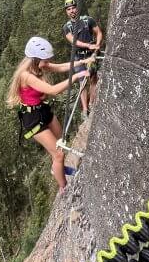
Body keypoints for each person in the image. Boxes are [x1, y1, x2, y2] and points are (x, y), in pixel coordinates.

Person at [7, 36, 94, 191]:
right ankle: (64, 187)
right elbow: (53, 90)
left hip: (43, 110)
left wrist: (81, 63)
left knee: (61, 143)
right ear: (35, 59)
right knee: (59, 154)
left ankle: (56, 168)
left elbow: (59, 67)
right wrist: (75, 76)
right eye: (45, 60)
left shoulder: (38, 66)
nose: (47, 63)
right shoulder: (26, 76)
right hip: (33, 119)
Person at [62, 0, 102, 116]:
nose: (72, 11)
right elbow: (74, 41)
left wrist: (98, 45)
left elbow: (98, 32)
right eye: (69, 9)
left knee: (93, 79)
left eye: (73, 8)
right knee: (82, 83)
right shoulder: (67, 27)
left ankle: (92, 104)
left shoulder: (88, 20)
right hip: (78, 58)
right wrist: (89, 45)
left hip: (91, 56)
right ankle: (85, 109)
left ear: (77, 8)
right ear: (66, 12)